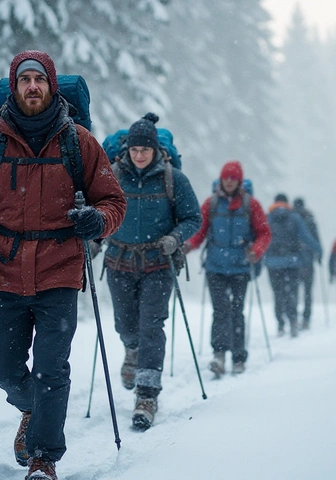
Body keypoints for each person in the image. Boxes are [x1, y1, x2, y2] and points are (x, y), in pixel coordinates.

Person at [0, 51, 127, 480]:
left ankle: (42, 459)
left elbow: (113, 200)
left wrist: (97, 221)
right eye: (24, 80)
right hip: (5, 269)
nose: (32, 87)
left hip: (59, 271)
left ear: (50, 86)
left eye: (39, 80)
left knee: (52, 368)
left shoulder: (78, 142)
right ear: (14, 86)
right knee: (2, 365)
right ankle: (31, 406)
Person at [104, 113, 201, 431]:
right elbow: (100, 215)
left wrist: (175, 238)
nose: (140, 154)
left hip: (158, 264)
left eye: (145, 149)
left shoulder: (174, 179)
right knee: (126, 326)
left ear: (156, 150)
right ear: (128, 150)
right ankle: (131, 351)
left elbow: (192, 218)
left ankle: (147, 395)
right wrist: (90, 244)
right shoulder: (113, 175)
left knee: (152, 327)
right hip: (119, 263)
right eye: (135, 149)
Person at [184, 161, 271, 377]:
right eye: (226, 178)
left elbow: (264, 233)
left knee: (237, 311)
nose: (229, 181)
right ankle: (220, 354)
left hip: (241, 268)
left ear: (239, 181)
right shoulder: (211, 204)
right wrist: (188, 245)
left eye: (233, 178)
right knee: (221, 310)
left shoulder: (251, 205)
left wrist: (257, 251)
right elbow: (200, 231)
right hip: (215, 268)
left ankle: (238, 356)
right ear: (221, 180)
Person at [265, 194, 322, 338]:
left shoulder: (268, 218)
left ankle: (280, 324)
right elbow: (306, 237)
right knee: (292, 293)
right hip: (292, 262)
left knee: (278, 294)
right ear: (286, 203)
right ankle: (293, 321)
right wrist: (318, 249)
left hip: (273, 263)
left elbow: (261, 238)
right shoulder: (294, 217)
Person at [292, 197, 323, 330]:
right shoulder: (310, 219)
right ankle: (306, 318)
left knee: (293, 291)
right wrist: (319, 254)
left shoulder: (291, 218)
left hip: (293, 261)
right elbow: (315, 239)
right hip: (308, 261)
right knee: (308, 291)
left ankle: (293, 317)